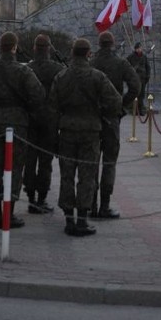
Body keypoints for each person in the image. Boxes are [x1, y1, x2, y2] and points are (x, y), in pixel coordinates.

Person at [49, 37, 122, 238]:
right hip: (90, 132)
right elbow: (115, 101)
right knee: (87, 176)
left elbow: (52, 108)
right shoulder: (97, 77)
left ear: (72, 53)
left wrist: (54, 135)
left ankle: (69, 219)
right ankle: (82, 219)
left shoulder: (61, 76)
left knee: (67, 175)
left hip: (67, 132)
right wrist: (100, 111)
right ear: (89, 54)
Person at [0, 31, 44, 230]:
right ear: (14, 47)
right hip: (17, 123)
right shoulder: (22, 71)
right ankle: (9, 212)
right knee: (14, 168)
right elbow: (38, 94)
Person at [91, 31, 140, 218]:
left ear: (99, 43)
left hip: (94, 118)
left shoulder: (92, 62)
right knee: (109, 163)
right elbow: (135, 86)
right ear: (112, 44)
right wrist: (122, 104)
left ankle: (91, 205)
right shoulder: (120, 63)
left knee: (92, 163)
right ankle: (104, 206)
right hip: (112, 118)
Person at [23, 34, 63, 214]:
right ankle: (41, 198)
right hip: (50, 121)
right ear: (49, 49)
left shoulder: (27, 69)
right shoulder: (57, 69)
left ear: (34, 48)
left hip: (30, 120)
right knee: (45, 162)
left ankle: (30, 197)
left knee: (29, 160)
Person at [127, 41, 151, 115]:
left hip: (142, 78)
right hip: (134, 78)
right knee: (135, 94)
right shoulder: (131, 57)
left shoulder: (144, 57)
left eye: (140, 48)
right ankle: (134, 110)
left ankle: (141, 110)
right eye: (138, 48)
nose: (139, 50)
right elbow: (126, 66)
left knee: (141, 94)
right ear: (135, 49)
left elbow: (148, 67)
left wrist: (148, 75)